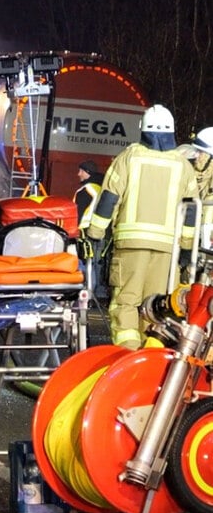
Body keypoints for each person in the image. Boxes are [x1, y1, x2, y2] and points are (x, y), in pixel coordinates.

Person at [86, 105, 199, 350]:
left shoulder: (129, 158)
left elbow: (109, 199)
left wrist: (94, 233)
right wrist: (188, 251)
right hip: (167, 251)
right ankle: (150, 359)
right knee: (156, 307)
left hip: (130, 247)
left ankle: (126, 355)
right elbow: (190, 213)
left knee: (125, 303)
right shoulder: (184, 166)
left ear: (142, 128)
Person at [73, 160, 106, 295]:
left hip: (85, 233)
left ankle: (87, 293)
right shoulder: (101, 189)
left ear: (87, 172)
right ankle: (99, 294)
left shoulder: (85, 190)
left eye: (81, 171)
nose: (78, 174)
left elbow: (77, 213)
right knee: (99, 264)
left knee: (87, 264)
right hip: (101, 231)